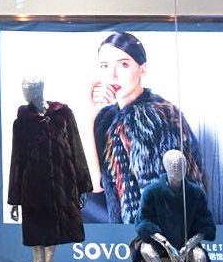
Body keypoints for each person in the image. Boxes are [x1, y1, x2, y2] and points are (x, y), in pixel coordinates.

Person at [86, 31, 206, 224]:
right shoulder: (107, 117)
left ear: (142, 69)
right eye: (105, 66)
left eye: (124, 64)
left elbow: (158, 202)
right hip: (124, 230)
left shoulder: (151, 116)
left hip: (156, 231)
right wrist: (90, 115)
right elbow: (96, 185)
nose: (112, 75)